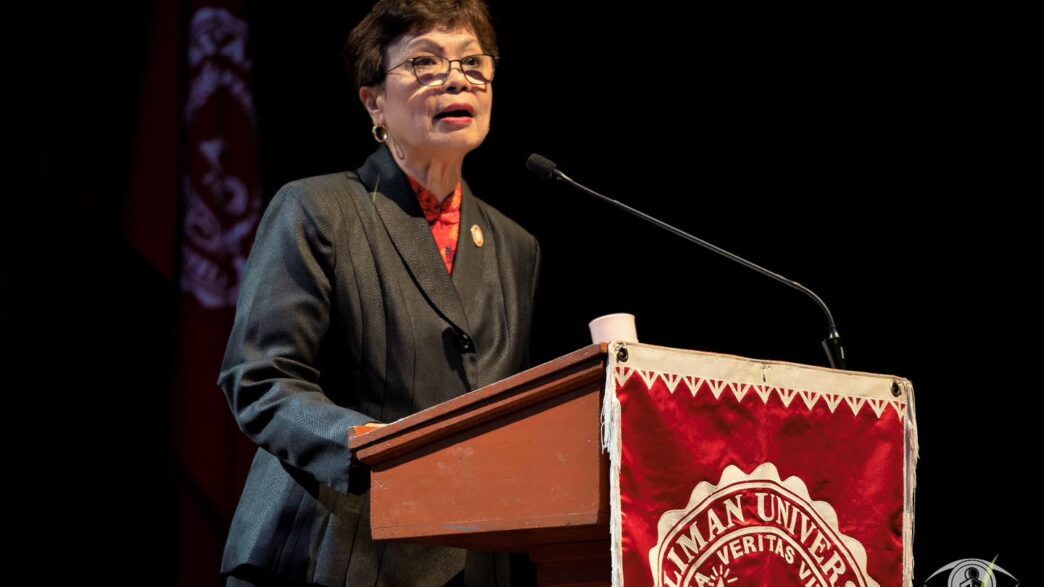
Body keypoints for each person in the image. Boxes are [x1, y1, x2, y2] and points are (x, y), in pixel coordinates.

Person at [217, 1, 540, 585]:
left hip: (470, 555)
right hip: (330, 550)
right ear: (374, 103)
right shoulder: (317, 209)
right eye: (425, 62)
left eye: (473, 62)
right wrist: (368, 447)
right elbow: (260, 378)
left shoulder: (515, 246)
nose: (456, 79)